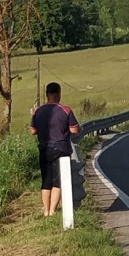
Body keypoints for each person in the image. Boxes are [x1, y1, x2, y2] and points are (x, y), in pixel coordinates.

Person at [28, 82, 80, 217]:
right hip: (61, 149)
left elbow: (32, 131)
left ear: (47, 94)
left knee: (46, 180)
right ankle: (52, 211)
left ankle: (45, 211)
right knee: (58, 181)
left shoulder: (38, 111)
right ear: (58, 94)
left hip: (44, 148)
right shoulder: (65, 110)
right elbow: (74, 129)